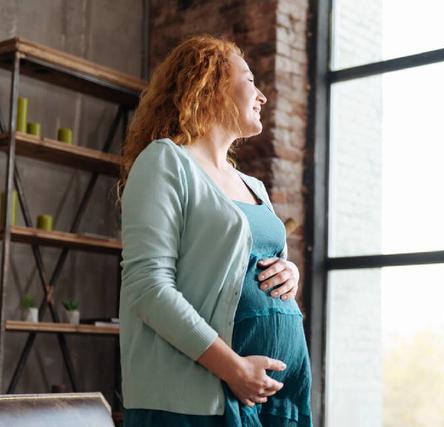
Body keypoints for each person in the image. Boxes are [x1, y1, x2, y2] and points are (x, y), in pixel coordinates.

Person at [117, 33, 312, 426]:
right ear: (211, 83)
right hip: (199, 400)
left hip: (274, 396)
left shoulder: (252, 186)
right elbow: (147, 286)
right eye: (250, 80)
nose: (262, 96)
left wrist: (290, 274)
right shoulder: (165, 161)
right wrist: (235, 369)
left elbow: (250, 268)